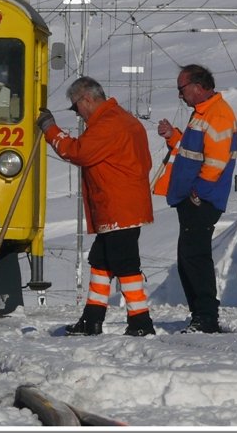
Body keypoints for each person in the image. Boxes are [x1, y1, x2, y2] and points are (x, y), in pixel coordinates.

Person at [37, 77, 155, 337]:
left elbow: (77, 152)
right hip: (122, 204)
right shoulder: (123, 119)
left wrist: (50, 130)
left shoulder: (109, 124)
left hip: (118, 206)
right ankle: (92, 319)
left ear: (86, 99)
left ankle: (140, 322)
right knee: (101, 261)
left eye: (75, 107)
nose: (77, 113)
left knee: (125, 264)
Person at [154, 64, 237, 334]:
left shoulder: (218, 114)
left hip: (202, 199)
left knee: (195, 258)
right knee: (188, 258)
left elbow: (216, 160)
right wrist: (173, 137)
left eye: (182, 89)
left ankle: (206, 318)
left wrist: (198, 191)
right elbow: (192, 151)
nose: (180, 95)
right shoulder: (203, 113)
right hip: (193, 197)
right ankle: (200, 316)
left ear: (198, 87)